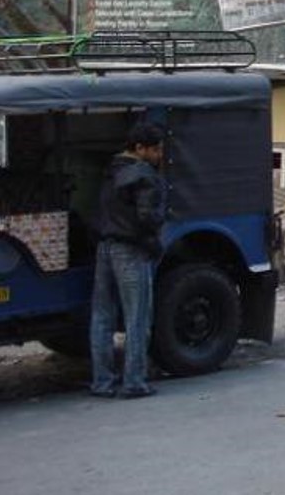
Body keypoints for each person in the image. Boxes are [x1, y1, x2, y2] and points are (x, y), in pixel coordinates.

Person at [89, 122, 167, 399]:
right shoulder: (144, 175)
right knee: (137, 318)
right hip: (131, 250)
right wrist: (155, 241)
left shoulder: (111, 170)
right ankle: (134, 381)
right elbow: (147, 217)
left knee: (102, 318)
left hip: (104, 248)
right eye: (155, 150)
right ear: (140, 149)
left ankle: (102, 381)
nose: (159, 155)